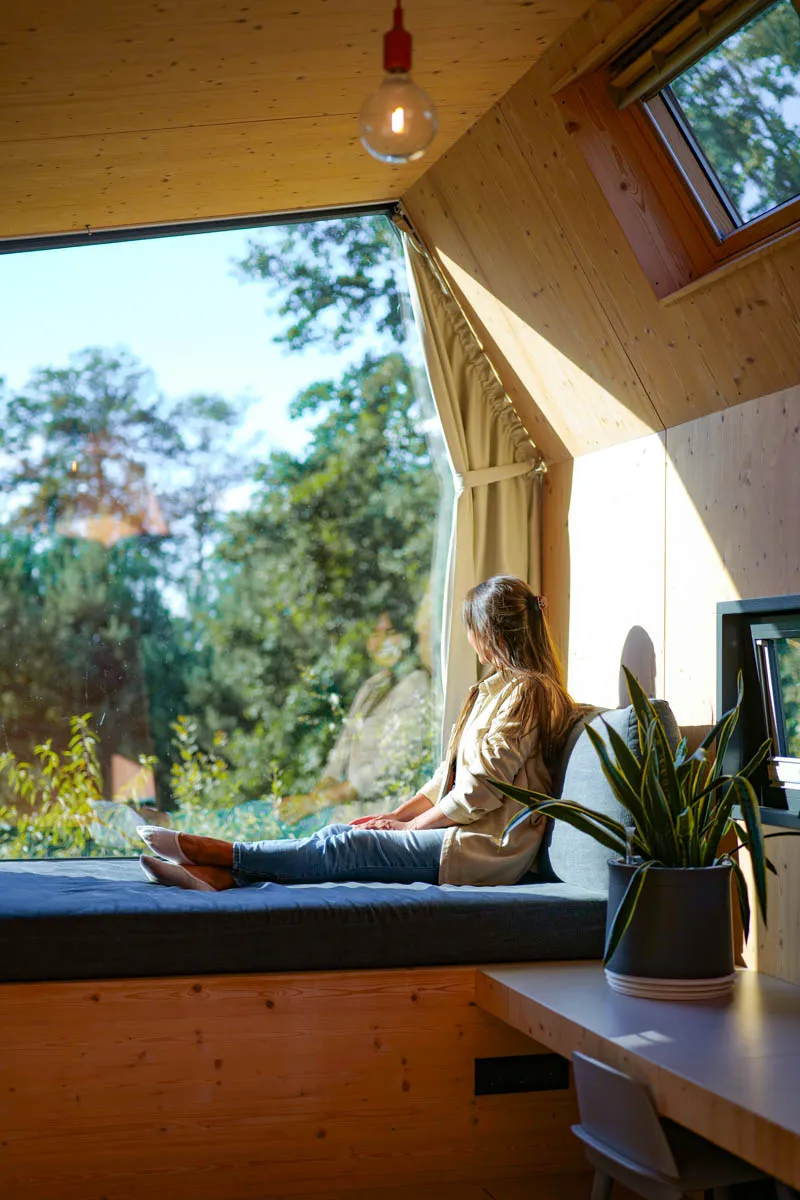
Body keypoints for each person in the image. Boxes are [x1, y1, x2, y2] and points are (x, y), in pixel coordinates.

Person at [137, 576, 585, 891]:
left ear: (487, 632)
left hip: (483, 849)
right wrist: (395, 816)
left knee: (351, 846)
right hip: (458, 834)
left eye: (470, 626)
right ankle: (218, 878)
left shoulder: (529, 692)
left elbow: (479, 791)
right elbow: (445, 779)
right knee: (341, 831)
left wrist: (406, 829)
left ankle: (224, 854)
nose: (466, 635)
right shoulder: (489, 691)